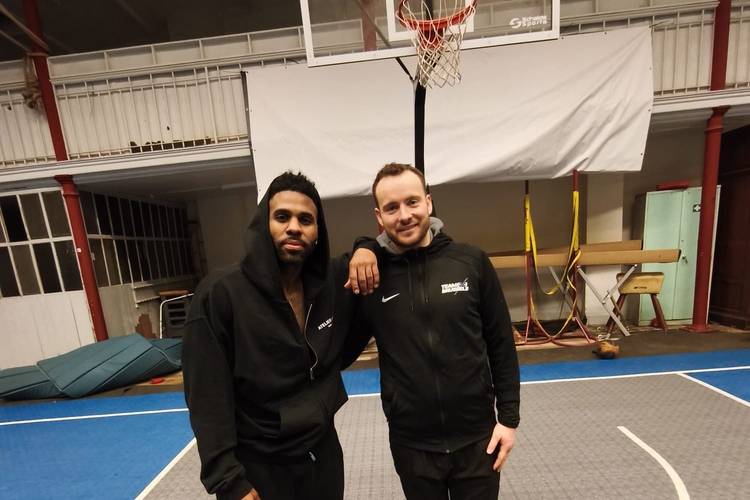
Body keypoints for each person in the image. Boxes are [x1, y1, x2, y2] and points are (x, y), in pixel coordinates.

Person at [182, 171, 377, 500]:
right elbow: (206, 395)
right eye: (282, 217)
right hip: (258, 464)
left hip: (323, 455)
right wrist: (228, 479)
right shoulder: (220, 294)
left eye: (306, 219)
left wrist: (366, 248)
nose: (294, 227)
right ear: (263, 224)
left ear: (318, 232)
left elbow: (376, 253)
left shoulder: (332, 282)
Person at [345, 163, 521, 500]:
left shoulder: (471, 262)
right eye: (391, 208)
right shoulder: (373, 278)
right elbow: (341, 349)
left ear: (428, 202)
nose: (404, 215)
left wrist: (509, 420)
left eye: (412, 202)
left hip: (478, 440)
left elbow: (501, 345)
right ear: (379, 217)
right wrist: (362, 246)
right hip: (412, 446)